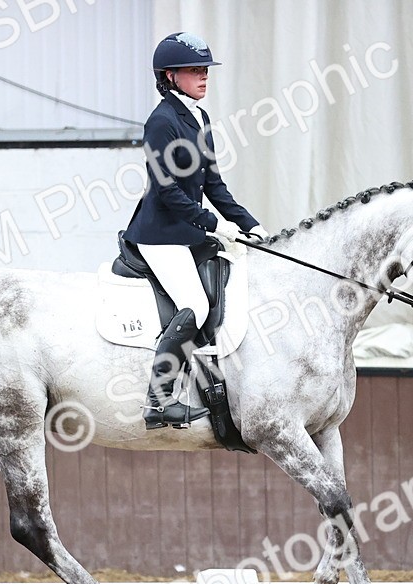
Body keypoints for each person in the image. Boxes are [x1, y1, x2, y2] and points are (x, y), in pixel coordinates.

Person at [124, 32, 269, 430]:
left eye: (205, 70)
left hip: (188, 230)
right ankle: (158, 401)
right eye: (194, 70)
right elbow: (168, 191)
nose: (204, 77)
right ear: (169, 76)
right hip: (160, 233)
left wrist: (248, 223)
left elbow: (213, 185)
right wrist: (214, 225)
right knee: (196, 304)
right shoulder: (161, 122)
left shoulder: (199, 117)